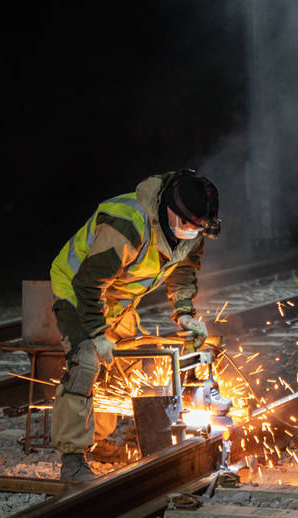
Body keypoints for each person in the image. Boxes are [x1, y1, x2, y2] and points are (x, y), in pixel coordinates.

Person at [49, 169, 226, 482]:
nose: (192, 233)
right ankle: (72, 460)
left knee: (124, 369)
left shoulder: (193, 229)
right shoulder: (126, 224)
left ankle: (101, 440)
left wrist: (184, 312)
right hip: (77, 291)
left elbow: (183, 272)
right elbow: (88, 285)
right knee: (87, 362)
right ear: (171, 210)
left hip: (118, 298)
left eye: (198, 228)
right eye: (188, 225)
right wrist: (96, 334)